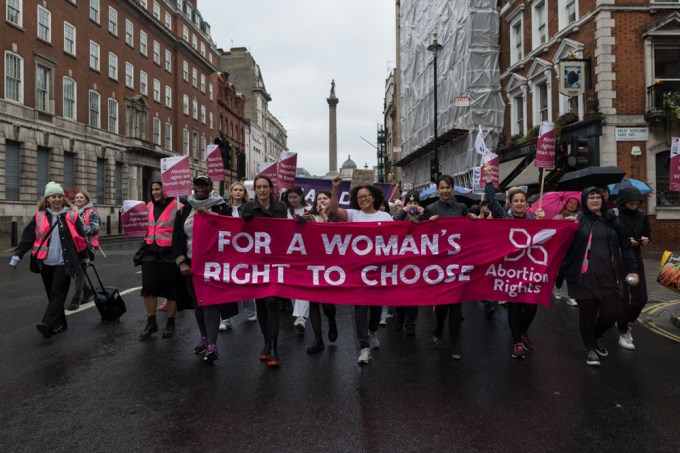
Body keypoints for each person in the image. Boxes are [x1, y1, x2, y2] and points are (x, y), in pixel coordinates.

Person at [558, 187, 639, 366]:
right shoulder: (577, 220)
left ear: (602, 200)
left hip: (610, 276)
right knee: (587, 313)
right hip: (583, 277)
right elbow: (560, 244)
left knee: (613, 312)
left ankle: (597, 335)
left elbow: (626, 246)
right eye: (591, 197)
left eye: (598, 197)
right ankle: (589, 348)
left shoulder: (612, 221)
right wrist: (566, 225)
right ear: (585, 201)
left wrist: (633, 269)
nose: (595, 200)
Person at [476, 163, 545, 360]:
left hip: (530, 270)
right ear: (510, 203)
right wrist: (489, 180)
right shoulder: (504, 217)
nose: (520, 203)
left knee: (531, 307)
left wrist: (545, 222)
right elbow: (490, 200)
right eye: (516, 201)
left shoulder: (533, 220)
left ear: (526, 203)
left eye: (522, 200)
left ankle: (523, 332)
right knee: (515, 307)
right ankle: (517, 342)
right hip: (511, 271)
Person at [9, 181, 90, 338]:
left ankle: (47, 324)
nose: (57, 199)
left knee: (58, 293)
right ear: (47, 199)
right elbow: (28, 237)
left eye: (60, 196)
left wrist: (85, 257)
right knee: (52, 295)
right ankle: (61, 324)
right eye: (54, 196)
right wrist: (18, 255)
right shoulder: (39, 216)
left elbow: (81, 238)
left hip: (64, 262)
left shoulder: (72, 215)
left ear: (63, 198)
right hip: (45, 262)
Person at [329, 175, 392, 364]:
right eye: (359, 197)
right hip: (357, 269)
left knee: (376, 306)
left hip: (378, 269)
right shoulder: (354, 215)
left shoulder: (386, 217)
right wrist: (335, 188)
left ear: (373, 197)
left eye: (366, 196)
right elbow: (333, 210)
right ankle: (364, 346)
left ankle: (372, 331)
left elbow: (398, 238)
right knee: (360, 307)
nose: (363, 200)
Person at [173, 175, 237, 362]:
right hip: (192, 263)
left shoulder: (222, 207)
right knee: (198, 303)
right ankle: (204, 337)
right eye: (197, 185)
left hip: (214, 263)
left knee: (210, 303)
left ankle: (212, 345)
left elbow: (232, 231)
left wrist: (211, 217)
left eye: (204, 185)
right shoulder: (184, 211)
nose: (200, 188)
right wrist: (181, 262)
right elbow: (177, 240)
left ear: (211, 188)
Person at [242, 174, 290, 367]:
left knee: (272, 301)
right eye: (258, 187)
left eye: (265, 187)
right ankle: (266, 342)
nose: (262, 190)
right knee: (261, 302)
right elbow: (241, 235)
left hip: (276, 261)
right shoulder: (248, 208)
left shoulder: (281, 208)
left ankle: (274, 347)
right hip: (257, 262)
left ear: (271, 188)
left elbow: (286, 231)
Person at [421, 175, 470, 359]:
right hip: (439, 264)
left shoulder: (462, 208)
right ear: (437, 190)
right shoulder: (430, 209)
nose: (445, 190)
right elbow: (418, 231)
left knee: (456, 304)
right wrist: (428, 223)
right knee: (442, 305)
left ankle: (455, 344)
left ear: (452, 188)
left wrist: (473, 219)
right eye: (442, 187)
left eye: (448, 187)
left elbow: (470, 233)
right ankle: (440, 326)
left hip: (458, 262)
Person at [136, 180, 181, 341]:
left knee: (171, 290)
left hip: (169, 253)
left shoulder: (178, 206)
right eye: (153, 189)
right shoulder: (147, 206)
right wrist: (127, 215)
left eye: (158, 189)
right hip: (150, 251)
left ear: (166, 190)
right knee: (148, 289)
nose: (154, 192)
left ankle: (170, 322)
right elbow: (137, 224)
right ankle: (151, 323)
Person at [614, 187, 651, 350]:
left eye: (637, 203)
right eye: (631, 203)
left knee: (640, 299)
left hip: (635, 261)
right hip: (618, 261)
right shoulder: (614, 216)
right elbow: (609, 237)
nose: (635, 206)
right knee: (623, 298)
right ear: (623, 202)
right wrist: (624, 241)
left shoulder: (642, 216)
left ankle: (624, 322)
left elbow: (648, 234)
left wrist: (645, 240)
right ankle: (623, 331)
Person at [304, 190, 339, 353]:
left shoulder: (338, 215)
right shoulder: (309, 215)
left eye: (325, 198)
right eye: (319, 198)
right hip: (311, 263)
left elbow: (339, 234)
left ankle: (331, 320)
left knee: (327, 302)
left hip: (330, 265)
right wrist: (301, 221)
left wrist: (325, 217)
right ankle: (318, 338)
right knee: (313, 301)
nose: (322, 201)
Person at [219, 181, 257, 331]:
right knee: (226, 284)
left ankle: (250, 312)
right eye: (235, 189)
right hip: (226, 250)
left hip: (244, 249)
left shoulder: (249, 208)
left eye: (241, 190)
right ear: (231, 192)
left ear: (244, 192)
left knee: (244, 281)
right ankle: (225, 320)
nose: (238, 192)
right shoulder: (223, 208)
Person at [392, 189, 425, 335]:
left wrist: (422, 215)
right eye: (410, 202)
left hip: (417, 261)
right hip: (401, 260)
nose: (412, 205)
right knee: (400, 293)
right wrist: (403, 212)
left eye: (415, 203)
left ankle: (410, 323)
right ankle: (400, 318)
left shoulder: (423, 216)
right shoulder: (401, 216)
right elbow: (392, 226)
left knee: (414, 293)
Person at [284, 185, 311, 333]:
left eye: (295, 197)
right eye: (290, 197)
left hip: (307, 251)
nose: (293, 200)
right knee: (293, 283)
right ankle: (298, 314)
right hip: (289, 251)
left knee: (303, 282)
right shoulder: (285, 211)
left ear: (301, 196)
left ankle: (301, 317)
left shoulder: (310, 209)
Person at [67, 190, 100, 311]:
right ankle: (87, 291)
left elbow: (94, 229)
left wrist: (80, 226)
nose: (79, 199)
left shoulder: (92, 213)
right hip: (73, 246)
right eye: (77, 197)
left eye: (81, 197)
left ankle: (76, 300)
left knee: (80, 272)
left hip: (87, 247)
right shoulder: (70, 212)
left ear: (86, 200)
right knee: (75, 272)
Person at [552, 197, 581, 306]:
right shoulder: (558, 217)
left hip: (573, 248)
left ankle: (571, 296)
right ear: (566, 204)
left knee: (571, 272)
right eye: (570, 203)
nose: (572, 205)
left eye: (575, 204)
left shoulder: (579, 217)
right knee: (560, 271)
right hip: (560, 248)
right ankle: (557, 289)